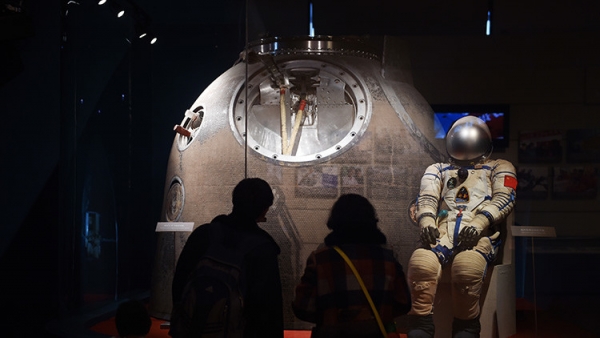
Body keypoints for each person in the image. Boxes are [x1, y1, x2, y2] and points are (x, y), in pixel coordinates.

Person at [406, 116, 517, 338]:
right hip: (442, 234)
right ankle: (421, 325)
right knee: (421, 265)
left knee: (467, 268)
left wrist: (479, 223)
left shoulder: (500, 167)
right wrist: (427, 221)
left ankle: (466, 327)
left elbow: (505, 198)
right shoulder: (437, 169)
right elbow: (425, 198)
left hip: (480, 235)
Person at [170, 177, 284, 338]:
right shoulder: (263, 249)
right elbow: (268, 311)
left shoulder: (203, 234)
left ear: (234, 200)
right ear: (264, 209)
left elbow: (180, 282)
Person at [292, 193, 411, 337]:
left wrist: (333, 316)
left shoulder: (320, 259)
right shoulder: (388, 258)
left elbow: (302, 308)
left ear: (335, 221)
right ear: (371, 220)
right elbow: (403, 303)